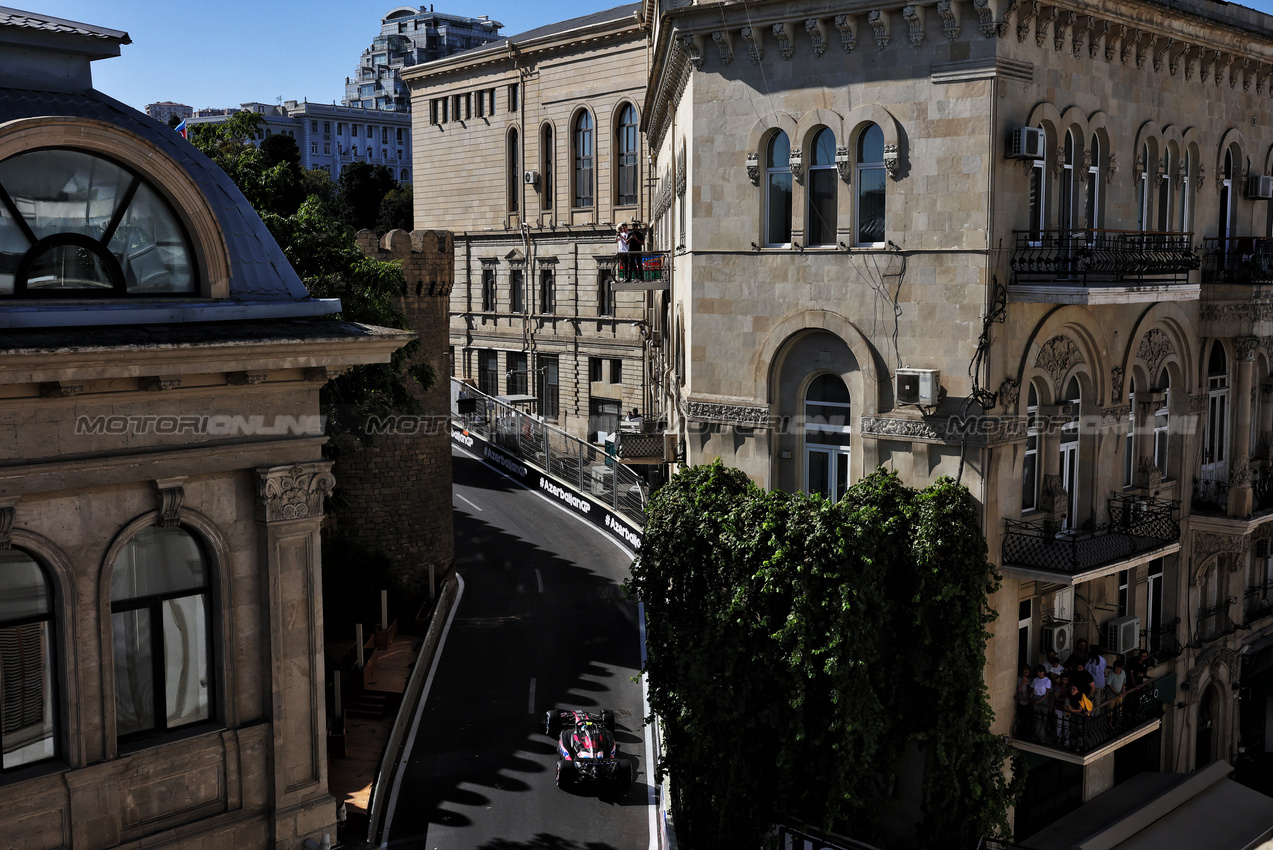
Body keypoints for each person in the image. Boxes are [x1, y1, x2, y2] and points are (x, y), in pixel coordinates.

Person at [1029, 665, 1052, 742]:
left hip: (1043, 700)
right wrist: (1031, 696)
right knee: (1037, 718)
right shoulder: (1035, 680)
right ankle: (1037, 735)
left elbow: (1047, 693)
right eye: (1038, 672)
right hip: (1035, 698)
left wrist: (1040, 701)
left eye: (1040, 672)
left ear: (1043, 672)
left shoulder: (1047, 680)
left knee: (1043, 719)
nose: (1039, 673)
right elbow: (1033, 689)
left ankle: (1042, 737)